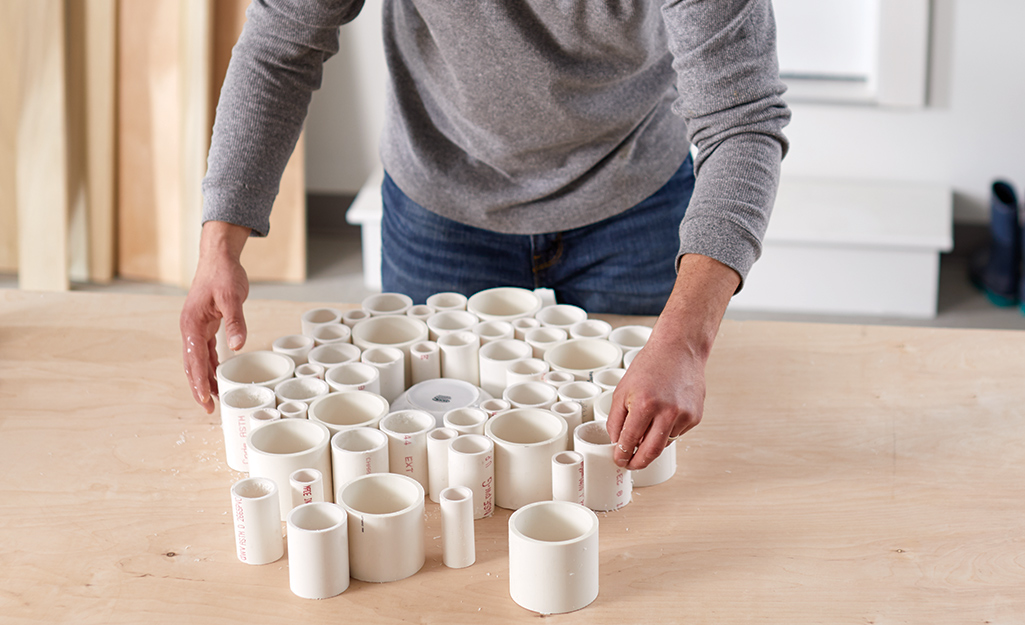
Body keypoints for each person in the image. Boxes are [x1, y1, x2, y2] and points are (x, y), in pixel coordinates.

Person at [180, 0, 790, 471]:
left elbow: (742, 121)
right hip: (440, 206)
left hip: (631, 202)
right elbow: (280, 45)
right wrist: (219, 244)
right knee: (431, 461)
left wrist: (685, 343)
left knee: (623, 463)